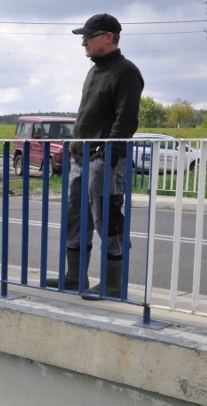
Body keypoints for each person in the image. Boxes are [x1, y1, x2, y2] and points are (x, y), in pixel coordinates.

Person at [47, 13, 143, 299]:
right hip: (81, 157)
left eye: (88, 37)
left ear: (108, 37)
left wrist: (109, 156)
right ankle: (75, 277)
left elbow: (125, 120)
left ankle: (113, 285)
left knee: (108, 218)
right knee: (75, 217)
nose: (83, 43)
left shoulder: (126, 71)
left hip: (105, 158)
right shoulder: (94, 70)